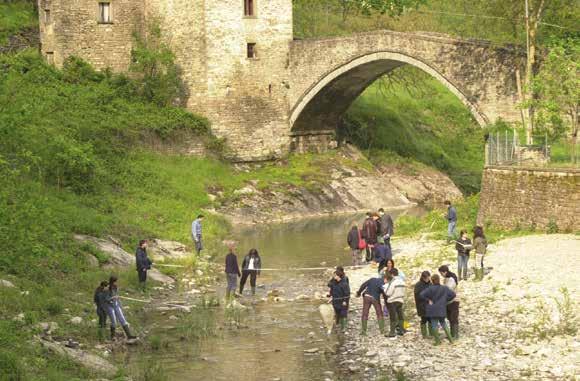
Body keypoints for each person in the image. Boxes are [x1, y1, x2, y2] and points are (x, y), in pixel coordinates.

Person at [420, 274, 455, 345]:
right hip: (441, 308)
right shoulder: (444, 288)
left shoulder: (430, 288)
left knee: (434, 324)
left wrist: (428, 300)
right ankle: (451, 340)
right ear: (439, 280)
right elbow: (453, 295)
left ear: (432, 281)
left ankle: (437, 341)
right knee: (444, 323)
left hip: (432, 309)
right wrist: (445, 300)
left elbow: (421, 295)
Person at [105, 276, 136, 340]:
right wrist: (112, 298)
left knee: (123, 319)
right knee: (114, 321)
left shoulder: (115, 287)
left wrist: (120, 305)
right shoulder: (107, 289)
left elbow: (117, 296)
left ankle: (129, 335)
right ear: (113, 281)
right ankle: (112, 336)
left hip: (116, 305)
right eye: (116, 281)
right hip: (110, 306)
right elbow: (106, 299)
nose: (117, 283)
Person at [439, 265, 460, 339]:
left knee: (454, 318)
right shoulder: (446, 279)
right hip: (448, 302)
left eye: (441, 273)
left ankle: (455, 335)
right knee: (450, 318)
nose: (441, 275)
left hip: (454, 301)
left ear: (445, 272)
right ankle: (452, 334)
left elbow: (448, 290)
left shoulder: (451, 279)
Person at [383, 269, 406, 338]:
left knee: (393, 317)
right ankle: (401, 330)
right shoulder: (402, 281)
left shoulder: (393, 282)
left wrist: (385, 288)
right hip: (400, 300)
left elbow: (388, 292)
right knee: (400, 315)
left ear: (392, 274)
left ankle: (392, 332)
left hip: (393, 301)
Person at [327, 267, 350, 332]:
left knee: (343, 313)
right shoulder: (334, 281)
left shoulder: (344, 283)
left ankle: (344, 327)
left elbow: (347, 293)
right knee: (337, 312)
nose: (334, 277)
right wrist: (330, 296)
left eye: (335, 276)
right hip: (335, 300)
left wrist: (345, 301)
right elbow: (330, 286)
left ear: (338, 276)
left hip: (342, 300)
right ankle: (337, 323)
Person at [413, 271, 431, 338]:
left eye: (429, 277)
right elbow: (418, 296)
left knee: (431, 319)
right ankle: (424, 335)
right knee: (424, 319)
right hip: (421, 305)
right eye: (426, 278)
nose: (428, 279)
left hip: (430, 305)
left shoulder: (430, 284)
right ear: (423, 277)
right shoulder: (418, 285)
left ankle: (431, 333)